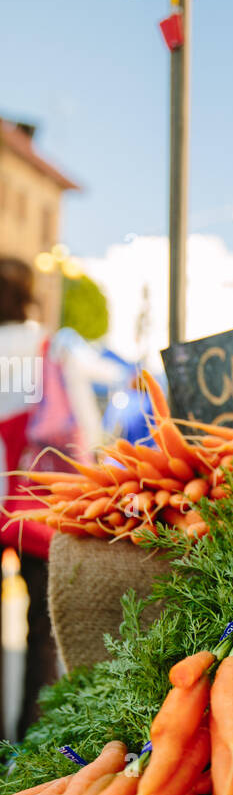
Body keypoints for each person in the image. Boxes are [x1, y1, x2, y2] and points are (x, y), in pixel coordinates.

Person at [0, 258, 83, 738]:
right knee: (41, 631)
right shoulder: (44, 347)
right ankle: (30, 740)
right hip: (34, 501)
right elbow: (79, 432)